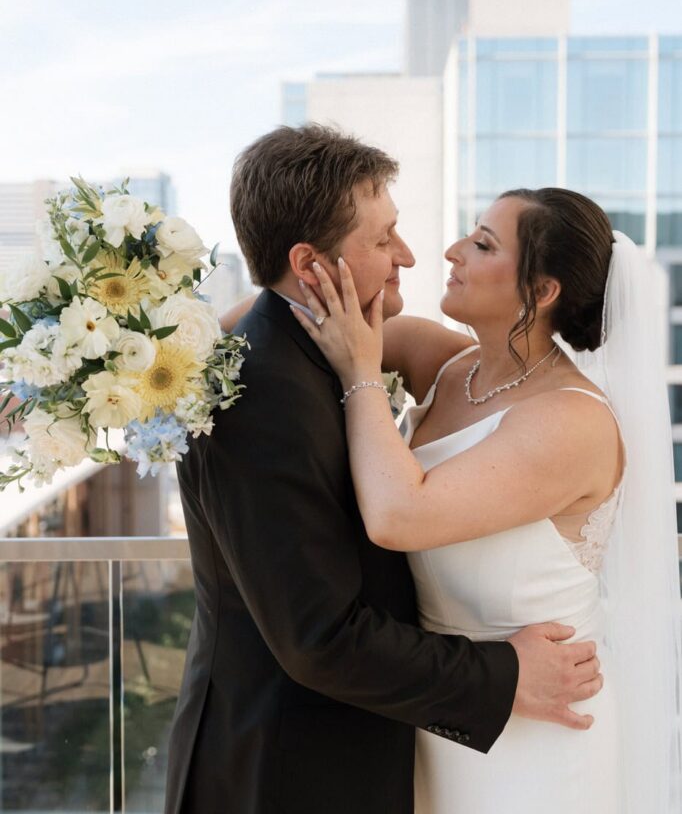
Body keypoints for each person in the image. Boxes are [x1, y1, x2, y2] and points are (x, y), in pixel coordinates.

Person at [164, 127, 602, 814]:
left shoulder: (381, 351)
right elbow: (321, 637)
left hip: (454, 735)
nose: (418, 254)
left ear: (541, 289)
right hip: (288, 767)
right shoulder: (265, 390)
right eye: (383, 239)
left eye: (483, 243)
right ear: (311, 266)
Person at [291, 186, 682, 813]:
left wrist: (360, 373)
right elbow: (277, 326)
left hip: (540, 726)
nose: (451, 252)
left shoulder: (571, 422)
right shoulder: (448, 366)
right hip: (444, 706)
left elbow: (398, 516)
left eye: (482, 244)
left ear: (542, 291)